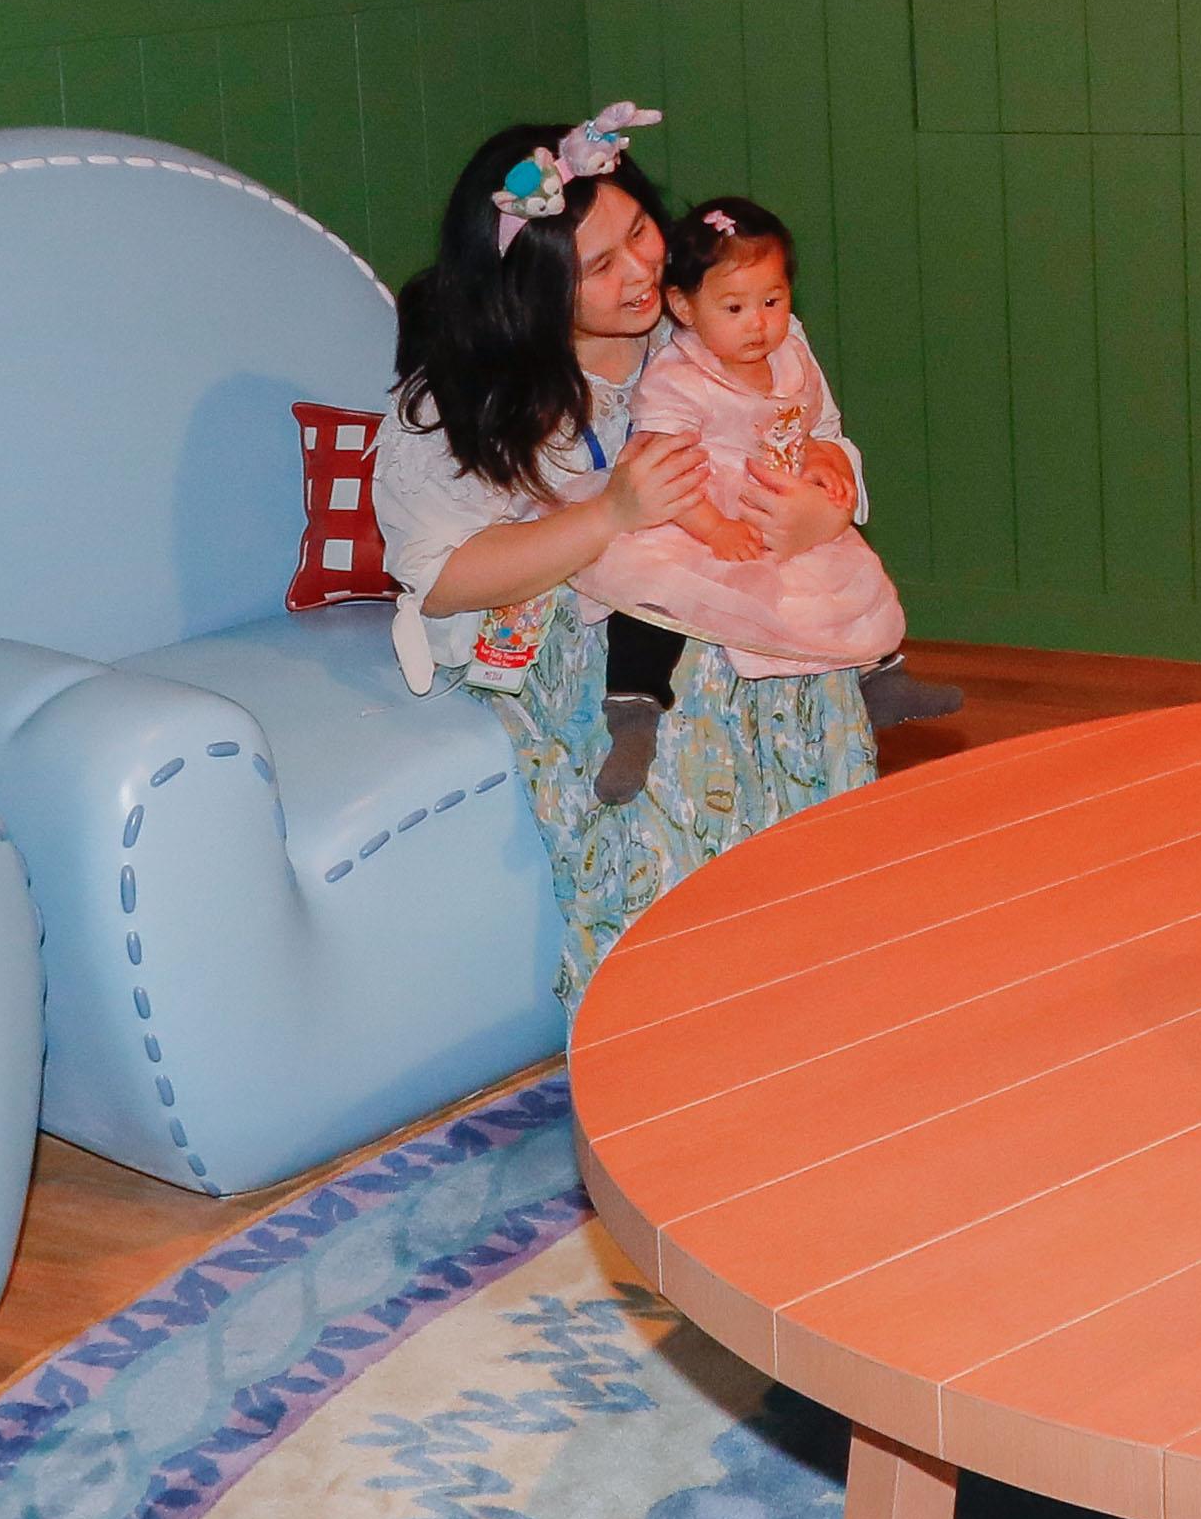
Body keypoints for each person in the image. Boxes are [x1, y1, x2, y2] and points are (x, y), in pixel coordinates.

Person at [372, 108, 878, 993]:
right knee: (696, 663)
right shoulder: (459, 400)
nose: (642, 270)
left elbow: (820, 438)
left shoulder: (718, 322)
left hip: (725, 584)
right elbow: (442, 580)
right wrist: (613, 513)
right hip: (561, 626)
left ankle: (821, 953)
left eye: (641, 231)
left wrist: (822, 509)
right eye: (600, 265)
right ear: (532, 288)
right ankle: (673, 988)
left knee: (790, 637)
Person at [578, 194, 922, 786]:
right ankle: (634, 707)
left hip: (769, 506)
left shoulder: (791, 356)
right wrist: (714, 527)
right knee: (656, 595)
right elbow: (659, 463)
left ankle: (879, 674)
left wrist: (824, 458)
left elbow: (813, 424)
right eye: (735, 307)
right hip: (690, 509)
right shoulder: (679, 376)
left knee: (845, 574)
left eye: (772, 301)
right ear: (684, 307)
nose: (758, 323)